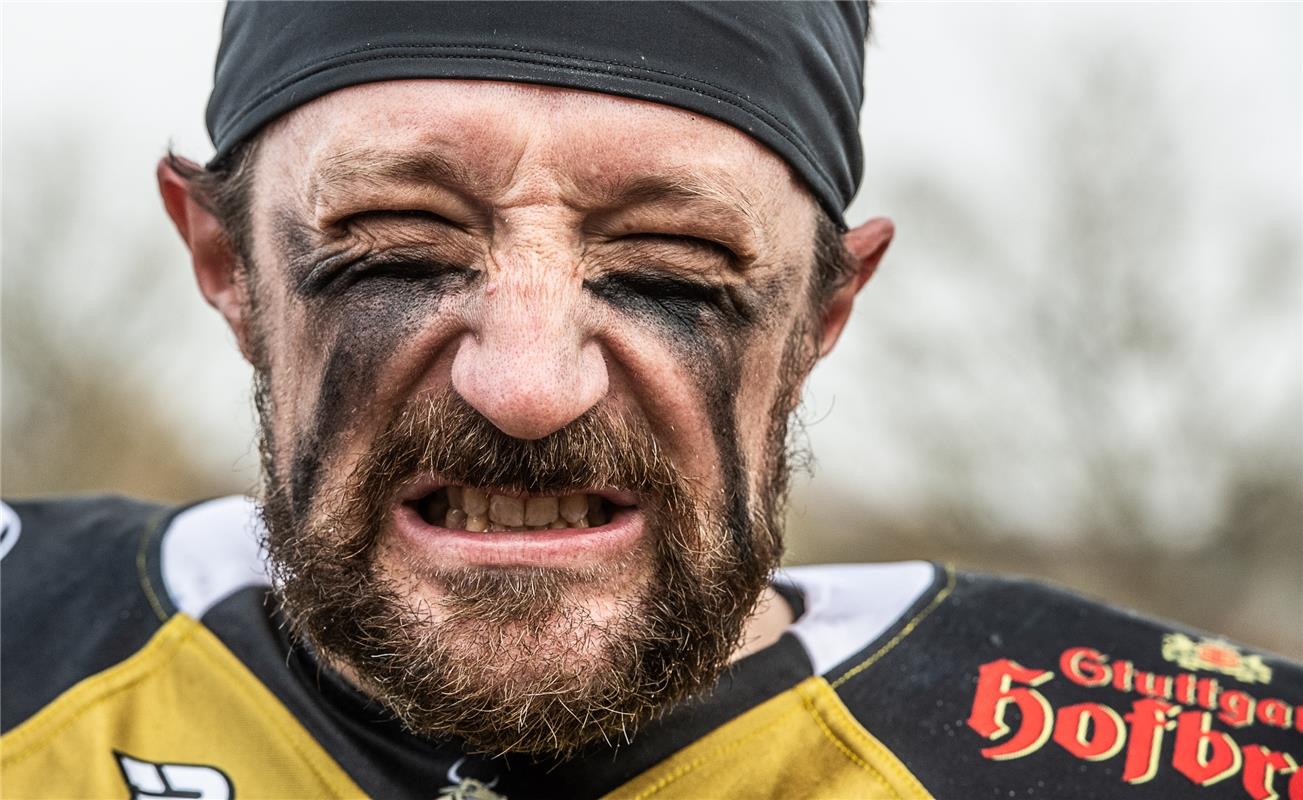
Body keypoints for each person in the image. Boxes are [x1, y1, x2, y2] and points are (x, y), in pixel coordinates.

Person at [1, 3, 1299, 799]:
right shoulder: (32, 665)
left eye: (671, 266)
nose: (524, 384)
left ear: (820, 314)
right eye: (398, 244)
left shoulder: (1157, 764)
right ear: (227, 263)